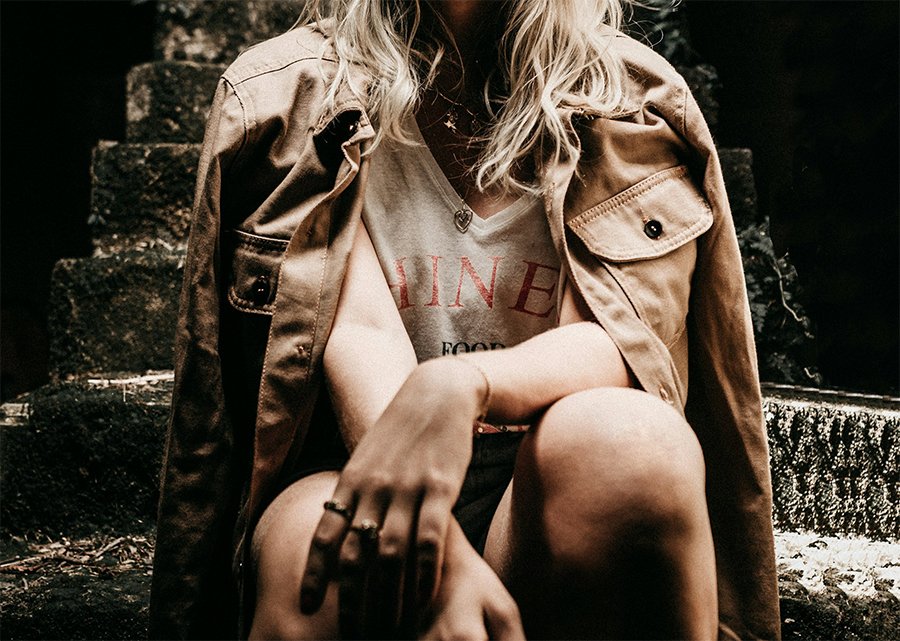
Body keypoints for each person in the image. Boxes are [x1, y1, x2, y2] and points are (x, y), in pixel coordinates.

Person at [149, 1, 781, 639]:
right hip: (359, 460)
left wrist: (459, 383)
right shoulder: (287, 98)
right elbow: (354, 328)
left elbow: (620, 341)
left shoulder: (631, 96)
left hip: (552, 481)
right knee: (313, 548)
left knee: (633, 445)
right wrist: (438, 555)